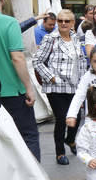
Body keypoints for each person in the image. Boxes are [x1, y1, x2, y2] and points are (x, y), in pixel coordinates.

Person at [0, 0, 40, 161]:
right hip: (12, 91)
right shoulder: (9, 23)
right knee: (28, 135)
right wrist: (29, 88)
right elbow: (17, 58)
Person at [32, 9, 87, 165]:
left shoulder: (77, 39)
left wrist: (83, 84)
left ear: (72, 23)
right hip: (55, 87)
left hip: (74, 85)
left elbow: (82, 62)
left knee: (76, 117)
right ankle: (60, 153)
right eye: (60, 20)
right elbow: (37, 61)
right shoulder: (50, 38)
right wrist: (51, 77)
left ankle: (70, 140)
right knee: (62, 118)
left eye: (67, 21)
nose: (63, 23)